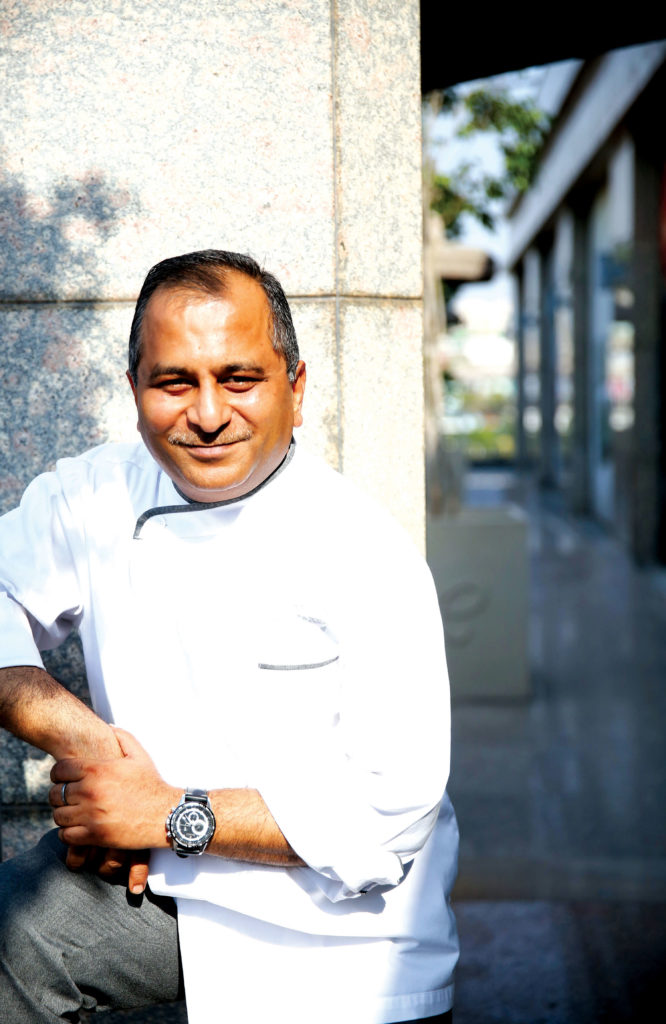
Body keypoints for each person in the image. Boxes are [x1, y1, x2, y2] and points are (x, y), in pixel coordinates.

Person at [0, 250, 459, 1023]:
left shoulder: (365, 551)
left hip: (342, 935)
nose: (208, 414)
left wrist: (164, 813)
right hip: (158, 896)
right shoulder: (98, 493)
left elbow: (391, 812)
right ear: (135, 391)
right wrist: (89, 747)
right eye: (174, 382)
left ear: (296, 389)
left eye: (239, 379)